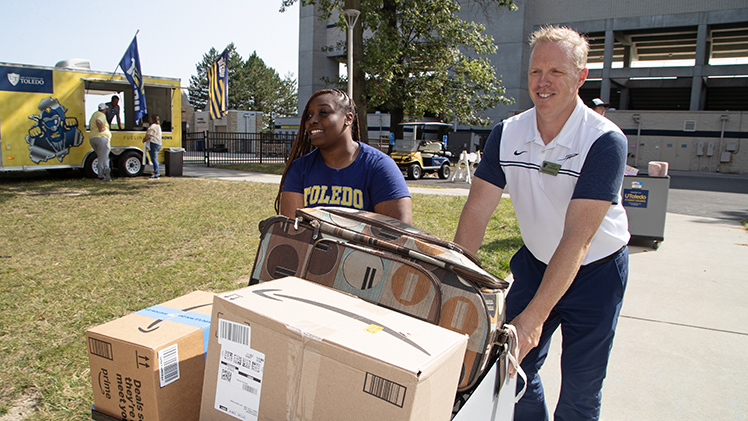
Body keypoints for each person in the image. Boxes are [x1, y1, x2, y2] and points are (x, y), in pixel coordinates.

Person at [453, 26, 629, 421]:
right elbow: (478, 209)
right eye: (536, 72)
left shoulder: (604, 141)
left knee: (581, 391)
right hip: (536, 263)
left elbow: (578, 238)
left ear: (581, 77)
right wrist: (456, 278)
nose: (543, 83)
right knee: (510, 372)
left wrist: (533, 318)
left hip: (596, 272)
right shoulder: (507, 133)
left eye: (556, 72)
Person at [275, 88, 412, 223]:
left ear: (348, 118)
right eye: (308, 116)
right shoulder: (299, 169)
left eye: (323, 112)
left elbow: (399, 235)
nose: (312, 121)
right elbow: (291, 234)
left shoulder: (379, 166)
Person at [88, 103, 112, 181]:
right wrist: (101, 128)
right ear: (104, 109)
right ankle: (101, 175)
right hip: (101, 138)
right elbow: (98, 121)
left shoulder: (94, 114)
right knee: (102, 157)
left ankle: (106, 169)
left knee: (102, 156)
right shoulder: (101, 115)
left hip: (92, 138)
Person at [142, 114, 162, 179]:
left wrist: (144, 139)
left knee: (154, 159)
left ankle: (156, 174)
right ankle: (156, 173)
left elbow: (149, 135)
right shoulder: (158, 126)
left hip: (153, 143)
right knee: (155, 159)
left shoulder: (152, 126)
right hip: (159, 143)